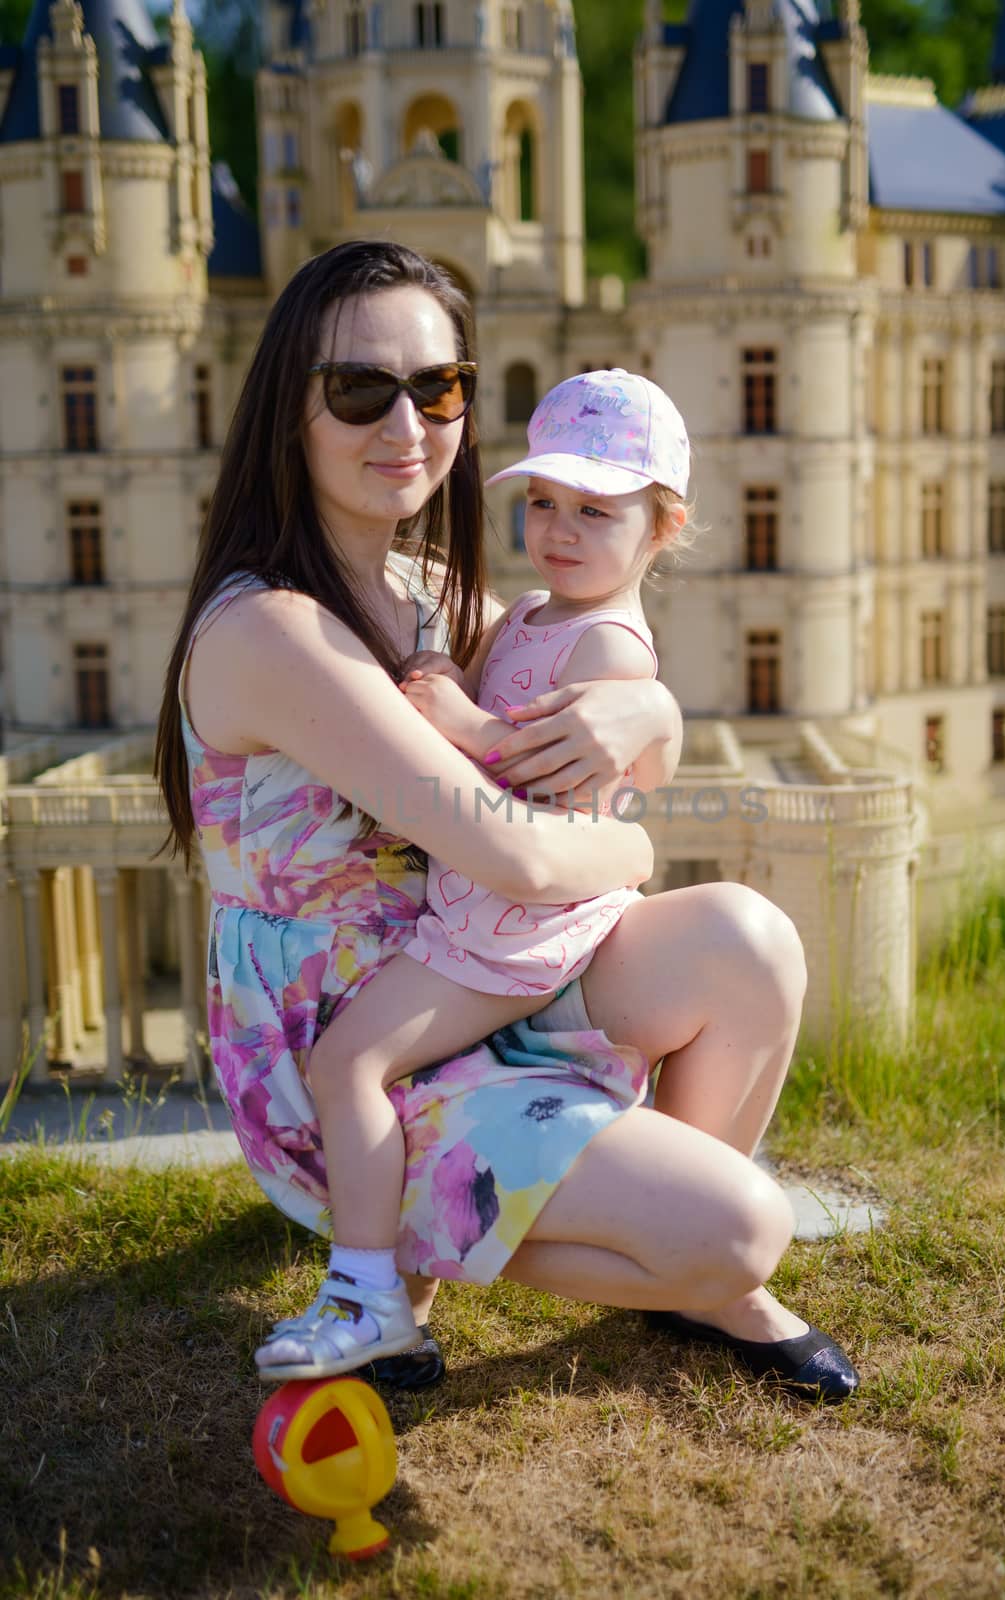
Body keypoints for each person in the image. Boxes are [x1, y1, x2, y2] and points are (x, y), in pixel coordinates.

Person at [155, 239, 859, 1404]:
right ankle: (438, 1268)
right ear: (291, 410)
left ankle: (660, 1248)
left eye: (438, 389)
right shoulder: (275, 630)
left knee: (752, 940)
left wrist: (648, 699)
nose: (409, 424)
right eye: (358, 390)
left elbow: (618, 706)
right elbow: (522, 853)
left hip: (469, 968)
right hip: (353, 1043)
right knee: (744, 1224)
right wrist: (633, 844)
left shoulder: (426, 591)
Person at [251, 368, 693, 1381]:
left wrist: (467, 725)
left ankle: (364, 1295)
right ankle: (395, 1292)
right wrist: (455, 684)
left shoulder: (614, 650)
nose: (560, 528)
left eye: (596, 510)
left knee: (348, 1065)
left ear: (662, 527)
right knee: (377, 1067)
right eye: (543, 502)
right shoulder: (535, 610)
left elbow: (565, 801)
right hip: (486, 911)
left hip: (513, 926)